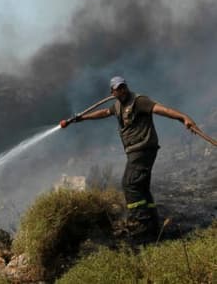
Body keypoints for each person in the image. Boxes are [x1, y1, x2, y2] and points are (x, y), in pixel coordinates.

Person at [74, 76, 197, 239]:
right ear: (112, 92)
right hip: (136, 150)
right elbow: (104, 112)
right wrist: (83, 118)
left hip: (143, 148)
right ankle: (152, 223)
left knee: (130, 184)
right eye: (118, 88)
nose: (122, 90)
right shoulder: (117, 105)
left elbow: (162, 109)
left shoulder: (139, 101)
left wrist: (184, 118)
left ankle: (140, 223)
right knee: (141, 187)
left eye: (123, 87)